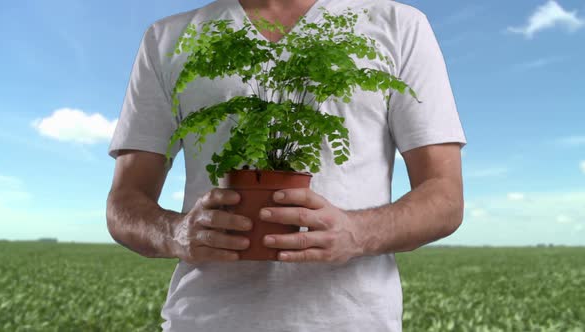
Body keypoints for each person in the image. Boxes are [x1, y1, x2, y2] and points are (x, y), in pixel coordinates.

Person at [106, 0, 467, 331]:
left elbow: (445, 198)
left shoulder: (398, 25)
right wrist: (176, 233)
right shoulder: (169, 37)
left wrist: (356, 233)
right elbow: (124, 202)